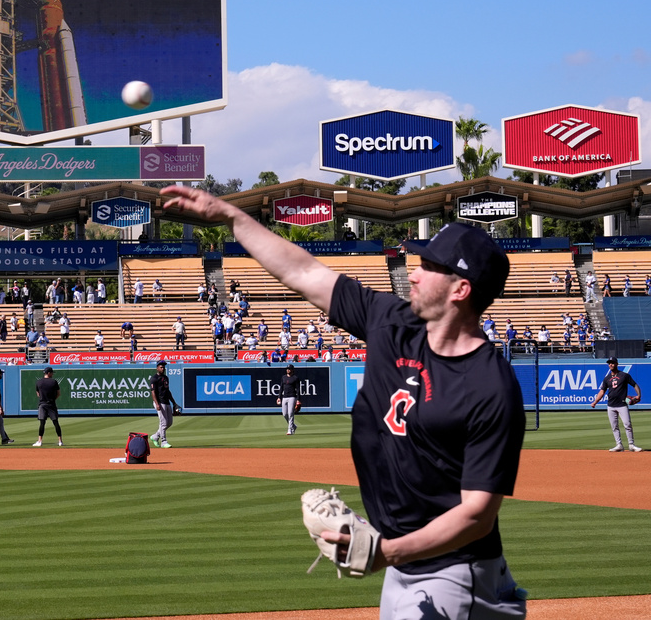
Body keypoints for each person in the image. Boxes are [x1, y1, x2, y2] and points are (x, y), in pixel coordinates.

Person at [162, 185, 527, 616]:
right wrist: (232, 218)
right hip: (404, 564)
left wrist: (385, 553)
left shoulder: (490, 387)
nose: (413, 272)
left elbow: (476, 517)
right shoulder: (392, 321)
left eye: (428, 266)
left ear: (460, 290)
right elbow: (306, 273)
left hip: (454, 572)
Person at [591, 357, 643, 452]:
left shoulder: (624, 376)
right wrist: (595, 402)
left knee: (627, 424)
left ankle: (631, 445)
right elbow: (602, 391)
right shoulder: (607, 379)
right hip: (611, 405)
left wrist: (639, 395)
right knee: (614, 426)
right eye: (609, 363)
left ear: (616, 364)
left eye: (612, 363)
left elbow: (635, 385)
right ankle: (619, 445)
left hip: (622, 404)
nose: (610, 364)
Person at [148, 360, 177, 448]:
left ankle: (155, 436)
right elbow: (153, 392)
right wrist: (157, 404)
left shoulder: (166, 378)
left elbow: (168, 391)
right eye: (161, 367)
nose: (163, 368)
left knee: (169, 423)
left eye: (164, 367)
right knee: (163, 423)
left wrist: (174, 403)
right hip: (160, 402)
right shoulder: (154, 379)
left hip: (166, 401)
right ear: (157, 368)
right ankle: (163, 441)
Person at [33, 366, 64, 447]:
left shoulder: (39, 382)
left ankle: (40, 441)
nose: (52, 374)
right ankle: (60, 441)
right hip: (51, 404)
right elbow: (58, 394)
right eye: (52, 373)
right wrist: (52, 399)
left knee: (42, 423)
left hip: (42, 404)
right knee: (55, 422)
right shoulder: (54, 382)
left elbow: (38, 394)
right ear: (49, 373)